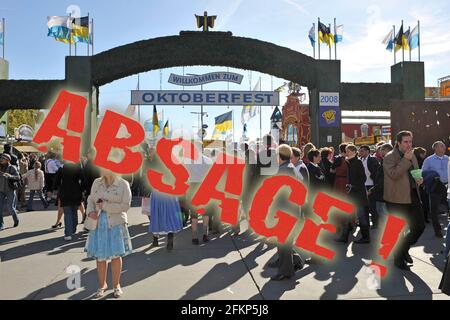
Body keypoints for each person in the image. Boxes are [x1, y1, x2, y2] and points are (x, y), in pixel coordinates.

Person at [85, 169, 133, 298]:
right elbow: (90, 199)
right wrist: (90, 212)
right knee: (100, 257)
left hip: (116, 224)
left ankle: (116, 285)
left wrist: (105, 206)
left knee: (115, 256)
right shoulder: (96, 182)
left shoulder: (123, 184)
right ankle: (102, 285)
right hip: (98, 224)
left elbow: (126, 206)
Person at [384, 131, 425, 270]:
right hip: (396, 199)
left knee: (419, 227)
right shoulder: (390, 157)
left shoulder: (412, 155)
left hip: (413, 195)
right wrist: (406, 160)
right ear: (399, 142)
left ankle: (402, 249)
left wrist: (419, 179)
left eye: (410, 141)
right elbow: (394, 174)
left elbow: (415, 171)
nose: (409, 144)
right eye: (406, 142)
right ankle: (398, 259)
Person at [268, 144, 304, 281]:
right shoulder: (291, 168)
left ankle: (285, 271)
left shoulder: (283, 170)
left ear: (280, 156)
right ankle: (293, 263)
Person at [336, 145, 370, 243]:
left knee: (361, 216)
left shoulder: (357, 162)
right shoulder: (350, 162)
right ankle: (344, 237)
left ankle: (365, 238)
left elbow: (362, 178)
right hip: (353, 193)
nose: (347, 153)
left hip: (358, 194)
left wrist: (352, 186)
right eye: (346, 151)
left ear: (354, 151)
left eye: (349, 151)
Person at [422, 141, 449, 237]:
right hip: (436, 186)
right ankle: (437, 231)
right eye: (441, 146)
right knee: (434, 209)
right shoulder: (429, 160)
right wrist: (432, 177)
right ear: (436, 148)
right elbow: (423, 172)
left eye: (444, 146)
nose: (444, 148)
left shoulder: (448, 159)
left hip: (448, 186)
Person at [53, 161, 84, 241]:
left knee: (67, 213)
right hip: (76, 191)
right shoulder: (78, 168)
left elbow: (56, 181)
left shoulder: (61, 168)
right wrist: (82, 189)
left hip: (64, 192)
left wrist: (59, 188)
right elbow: (83, 180)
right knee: (74, 211)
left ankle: (68, 233)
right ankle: (73, 228)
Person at [368, 143, 393, 225]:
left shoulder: (388, 161)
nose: (379, 152)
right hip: (382, 193)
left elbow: (384, 180)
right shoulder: (385, 161)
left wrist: (373, 189)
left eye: (381, 149)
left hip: (384, 194)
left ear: (387, 150)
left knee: (385, 216)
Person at [358, 145, 380, 229]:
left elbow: (376, 172)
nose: (360, 153)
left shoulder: (372, 160)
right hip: (363, 186)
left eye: (362, 151)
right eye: (360, 151)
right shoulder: (360, 160)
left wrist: (374, 182)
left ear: (368, 151)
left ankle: (375, 223)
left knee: (372, 206)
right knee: (364, 206)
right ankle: (365, 223)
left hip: (371, 185)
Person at [0, 154, 21, 230]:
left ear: (8, 160)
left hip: (10, 190)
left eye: (3, 158)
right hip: (1, 190)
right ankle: (1, 224)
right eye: (1, 158)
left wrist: (10, 176)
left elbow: (18, 177)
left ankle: (16, 220)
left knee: (10, 207)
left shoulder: (12, 167)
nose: (1, 159)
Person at [414, 147, 430, 223]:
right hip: (421, 184)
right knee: (424, 201)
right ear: (420, 154)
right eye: (424, 154)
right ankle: (425, 218)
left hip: (415, 185)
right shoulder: (422, 162)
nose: (425, 156)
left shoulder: (413, 161)